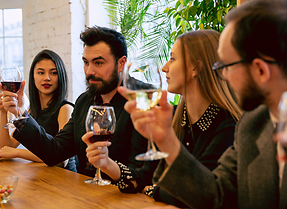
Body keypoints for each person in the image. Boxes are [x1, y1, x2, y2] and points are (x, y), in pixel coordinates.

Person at [122, 0, 287, 209]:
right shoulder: (253, 125)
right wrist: (166, 140)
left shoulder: (233, 122)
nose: (223, 76)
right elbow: (215, 197)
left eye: (227, 66)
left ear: (260, 70)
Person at [82, 29, 242, 206]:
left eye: (172, 59)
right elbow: (144, 177)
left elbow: (204, 197)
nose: (164, 67)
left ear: (196, 68)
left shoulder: (229, 125)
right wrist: (106, 164)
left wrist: (154, 190)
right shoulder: (175, 116)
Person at [3, 26, 147, 176]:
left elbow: (141, 174)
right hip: (83, 192)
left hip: (123, 196)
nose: (89, 71)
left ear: (121, 63)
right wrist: (21, 114)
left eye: (98, 63)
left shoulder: (144, 100)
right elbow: (54, 152)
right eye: (86, 62)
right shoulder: (85, 101)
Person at [0, 49, 76, 172]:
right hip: (43, 176)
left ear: (61, 77)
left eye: (53, 73)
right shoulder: (32, 111)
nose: (47, 78)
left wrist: (17, 153)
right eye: (41, 72)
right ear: (33, 77)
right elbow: (6, 147)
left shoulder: (65, 109)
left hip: (65, 179)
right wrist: (3, 112)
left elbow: (61, 160)